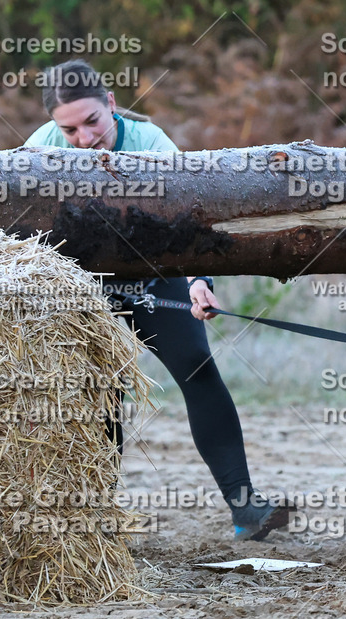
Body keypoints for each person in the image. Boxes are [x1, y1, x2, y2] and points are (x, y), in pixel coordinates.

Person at [25, 59, 290, 540]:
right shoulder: (38, 149)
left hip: (153, 279)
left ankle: (246, 509)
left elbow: (191, 219)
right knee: (102, 390)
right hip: (83, 290)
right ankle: (95, 521)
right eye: (70, 129)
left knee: (198, 368)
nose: (85, 139)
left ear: (111, 104)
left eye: (92, 122)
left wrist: (198, 281)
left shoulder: (152, 144)